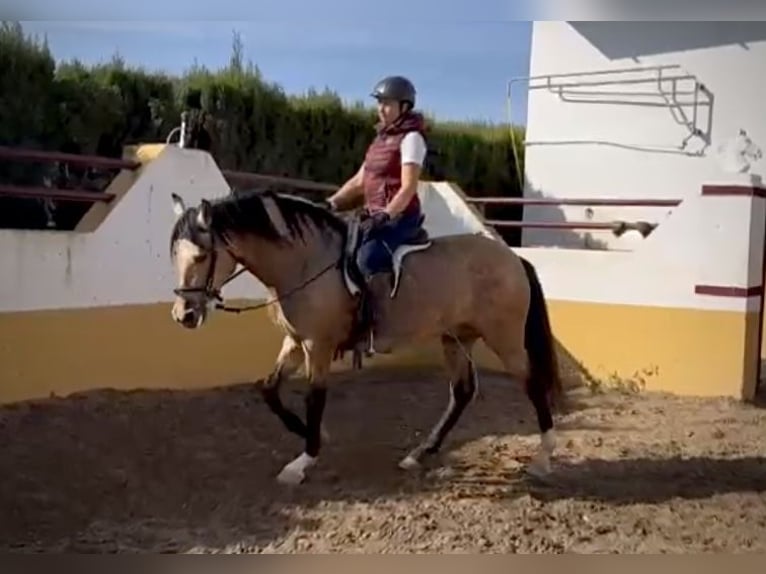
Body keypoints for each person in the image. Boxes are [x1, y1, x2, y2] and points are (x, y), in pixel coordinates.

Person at [324, 75, 428, 353]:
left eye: (387, 104)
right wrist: (331, 204)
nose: (381, 109)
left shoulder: (412, 139)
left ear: (404, 107)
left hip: (401, 218)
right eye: (380, 103)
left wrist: (386, 216)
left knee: (368, 257)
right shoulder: (380, 140)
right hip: (372, 214)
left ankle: (379, 326)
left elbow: (407, 188)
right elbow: (359, 182)